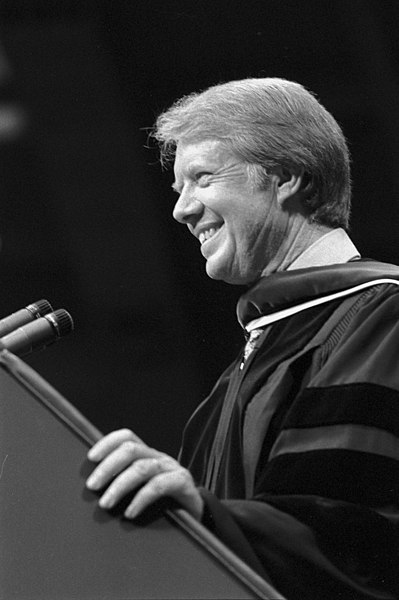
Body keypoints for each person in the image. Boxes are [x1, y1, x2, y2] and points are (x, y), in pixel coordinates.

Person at [85, 78, 399, 599]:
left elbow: (357, 536)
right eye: (179, 188)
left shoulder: (379, 316)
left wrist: (208, 517)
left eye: (202, 178)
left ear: (288, 178)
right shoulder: (240, 374)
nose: (181, 210)